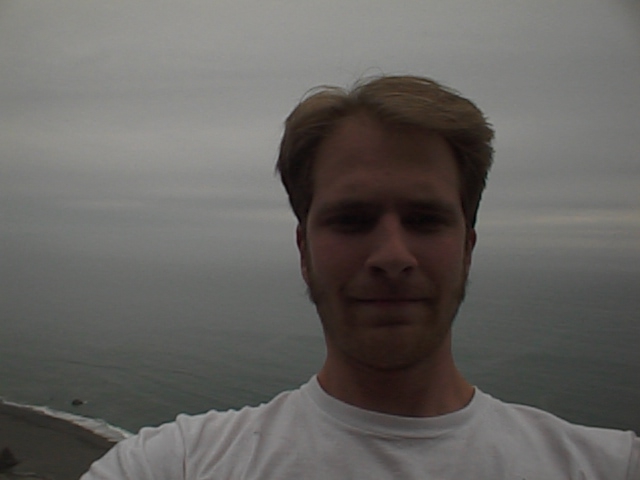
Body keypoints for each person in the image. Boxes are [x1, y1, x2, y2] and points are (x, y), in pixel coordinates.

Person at [82, 75, 639, 479]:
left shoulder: (609, 466)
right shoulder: (172, 465)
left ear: (467, 248)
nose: (392, 255)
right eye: (351, 220)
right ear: (304, 250)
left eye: (424, 220)